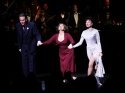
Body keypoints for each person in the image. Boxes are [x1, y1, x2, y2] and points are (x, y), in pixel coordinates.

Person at [68, 17, 105, 87]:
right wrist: (72, 46)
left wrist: (100, 51)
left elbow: (99, 42)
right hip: (88, 49)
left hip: (96, 49)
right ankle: (96, 81)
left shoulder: (95, 31)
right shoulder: (84, 32)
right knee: (94, 66)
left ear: (92, 23)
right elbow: (80, 43)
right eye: (86, 22)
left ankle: (88, 80)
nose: (87, 23)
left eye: (88, 22)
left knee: (90, 64)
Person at [16, 13, 42, 78]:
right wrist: (19, 47)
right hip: (23, 47)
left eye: (23, 20)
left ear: (26, 19)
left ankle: (33, 79)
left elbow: (37, 34)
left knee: (32, 64)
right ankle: (26, 79)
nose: (22, 22)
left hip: (31, 46)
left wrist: (38, 40)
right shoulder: (18, 25)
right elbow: (18, 37)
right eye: (20, 20)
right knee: (24, 64)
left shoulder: (32, 25)